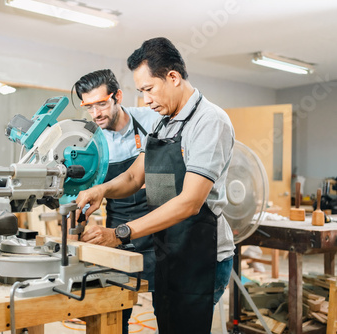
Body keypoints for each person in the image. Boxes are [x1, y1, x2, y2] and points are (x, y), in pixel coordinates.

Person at [75, 37, 236, 333]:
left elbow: (190, 202)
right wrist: (102, 190)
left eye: (149, 90)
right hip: (170, 248)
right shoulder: (165, 122)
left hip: (201, 253)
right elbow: (136, 177)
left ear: (173, 77)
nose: (146, 100)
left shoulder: (209, 122)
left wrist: (120, 233)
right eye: (141, 92)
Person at [72, 69, 161, 334]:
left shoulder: (153, 121)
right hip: (117, 231)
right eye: (89, 107)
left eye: (102, 104)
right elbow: (86, 192)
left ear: (118, 96)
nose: (96, 113)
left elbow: (146, 180)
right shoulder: (90, 142)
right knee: (114, 311)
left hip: (159, 226)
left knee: (167, 308)